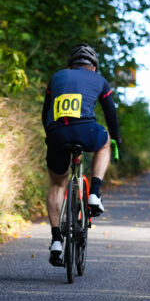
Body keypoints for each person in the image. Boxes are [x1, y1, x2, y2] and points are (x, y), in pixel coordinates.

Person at [42, 43, 121, 265]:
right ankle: (94, 193)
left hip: (57, 133)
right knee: (105, 142)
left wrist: (52, 136)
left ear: (70, 66)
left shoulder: (57, 77)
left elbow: (45, 112)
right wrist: (116, 138)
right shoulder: (100, 80)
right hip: (87, 131)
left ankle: (56, 239)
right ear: (93, 67)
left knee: (57, 184)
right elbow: (110, 113)